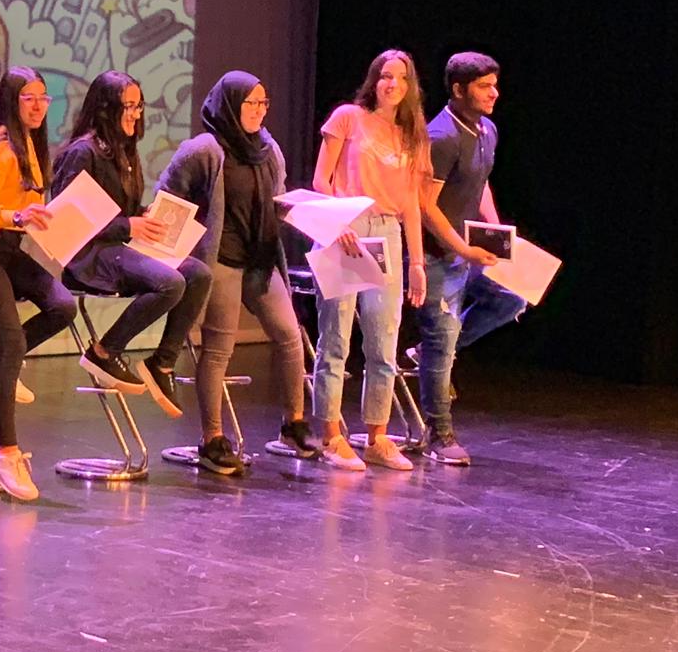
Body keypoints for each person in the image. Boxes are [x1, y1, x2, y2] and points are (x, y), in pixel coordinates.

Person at [158, 72, 320, 475]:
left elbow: (278, 200)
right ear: (229, 104)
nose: (259, 111)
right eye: (251, 103)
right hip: (222, 259)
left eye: (264, 103)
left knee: (290, 336)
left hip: (259, 260)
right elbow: (168, 196)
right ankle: (212, 439)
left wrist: (304, 213)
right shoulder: (205, 150)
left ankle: (293, 423)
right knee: (219, 350)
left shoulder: (269, 149)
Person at [0, 66, 76, 501]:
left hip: (8, 249)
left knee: (62, 306)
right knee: (12, 343)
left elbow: (28, 207)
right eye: (29, 98)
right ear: (12, 101)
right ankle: (5, 452)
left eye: (44, 97)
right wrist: (15, 215)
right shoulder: (0, 147)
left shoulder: (31, 144)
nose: (39, 106)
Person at [51, 70, 210, 406]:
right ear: (106, 108)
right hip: (88, 255)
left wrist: (143, 214)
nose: (136, 114)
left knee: (198, 273)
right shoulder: (83, 152)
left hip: (116, 245)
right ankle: (104, 352)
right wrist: (128, 226)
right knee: (171, 283)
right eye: (128, 106)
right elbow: (68, 218)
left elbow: (117, 208)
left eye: (139, 106)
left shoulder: (125, 150)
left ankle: (162, 363)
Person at [312, 49, 437, 472]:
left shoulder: (413, 136)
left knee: (384, 341)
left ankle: (377, 436)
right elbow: (321, 180)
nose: (392, 84)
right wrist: (337, 220)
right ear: (374, 80)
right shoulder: (348, 117)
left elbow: (412, 204)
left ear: (410, 86)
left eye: (401, 77)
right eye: (385, 75)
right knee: (336, 338)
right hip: (345, 228)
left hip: (387, 232)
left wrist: (417, 263)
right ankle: (331, 436)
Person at [414, 51, 525, 465]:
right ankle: (439, 433)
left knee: (512, 297)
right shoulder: (441, 137)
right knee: (440, 341)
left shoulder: (487, 130)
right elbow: (425, 206)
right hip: (438, 254)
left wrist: (496, 233)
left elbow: (481, 184)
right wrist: (461, 249)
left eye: (495, 85)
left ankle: (431, 353)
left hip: (470, 249)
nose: (494, 93)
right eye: (484, 86)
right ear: (459, 89)